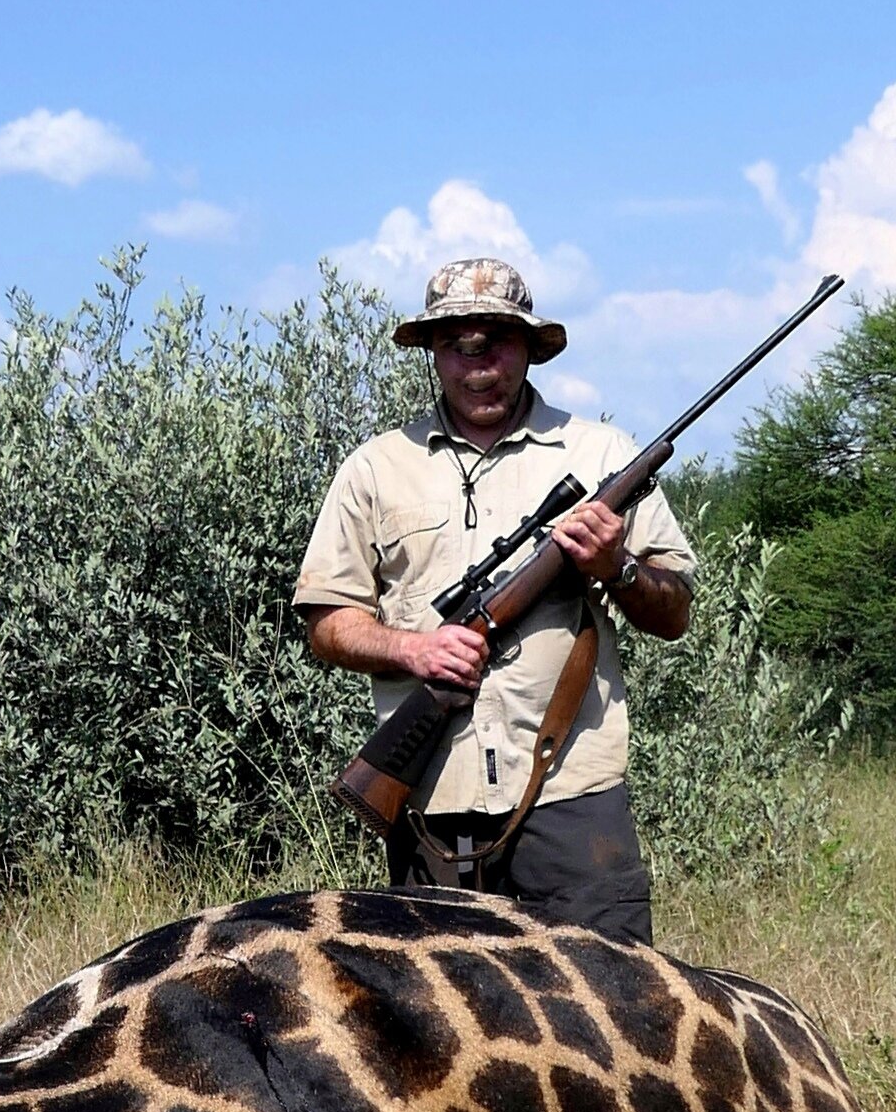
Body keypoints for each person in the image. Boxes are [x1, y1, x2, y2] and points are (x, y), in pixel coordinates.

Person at [294, 256, 695, 943]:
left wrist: (615, 566)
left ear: (532, 349)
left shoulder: (601, 454)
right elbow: (327, 625)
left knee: (611, 1024)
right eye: (458, 345)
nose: (479, 365)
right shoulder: (374, 467)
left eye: (497, 342)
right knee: (438, 1031)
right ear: (432, 353)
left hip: (573, 803)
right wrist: (413, 648)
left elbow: (675, 610)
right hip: (432, 805)